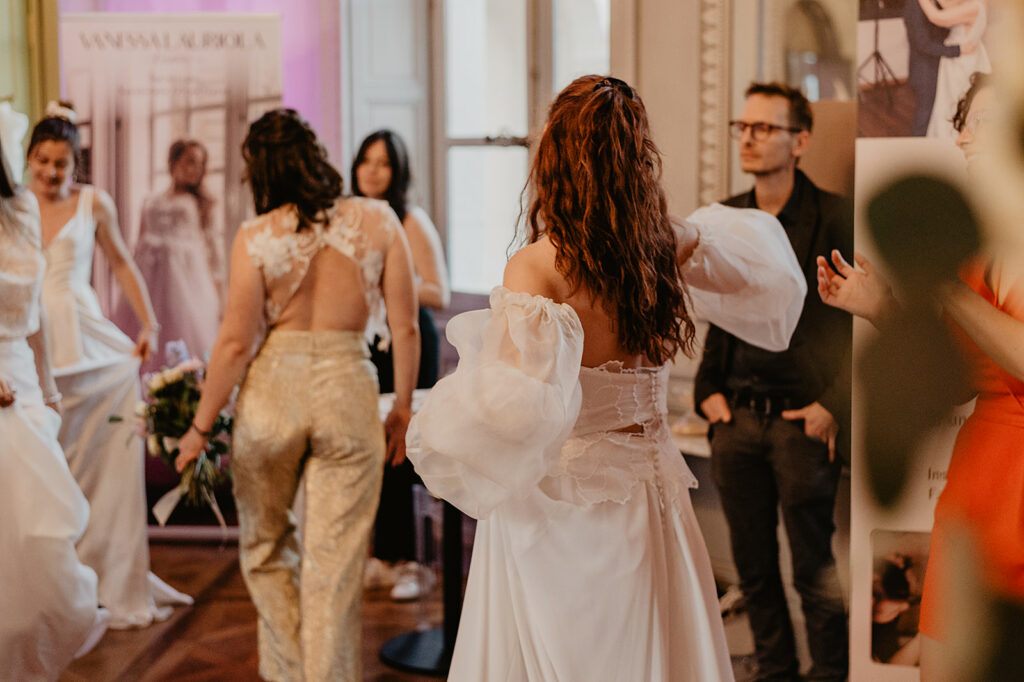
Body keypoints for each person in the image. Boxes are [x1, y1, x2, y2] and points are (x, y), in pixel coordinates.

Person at [407, 74, 809, 681]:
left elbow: (517, 413)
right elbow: (766, 272)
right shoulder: (665, 243)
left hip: (555, 511)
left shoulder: (539, 265)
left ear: (556, 157)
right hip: (646, 497)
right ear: (636, 158)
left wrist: (452, 415)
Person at [174, 109, 420, 682]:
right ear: (317, 154)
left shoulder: (256, 236)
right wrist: (402, 409)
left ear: (260, 171)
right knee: (335, 566)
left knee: (264, 548)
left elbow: (235, 343)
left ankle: (287, 675)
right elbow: (405, 328)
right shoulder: (378, 220)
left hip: (272, 394)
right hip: (347, 390)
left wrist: (200, 427)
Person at [818, 72, 1022, 681]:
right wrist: (878, 306)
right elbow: (962, 377)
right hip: (979, 475)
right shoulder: (973, 249)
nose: (963, 140)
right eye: (963, 123)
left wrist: (945, 288)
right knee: (943, 659)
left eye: (983, 122)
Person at [694, 82, 851, 681]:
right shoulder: (728, 214)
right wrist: (707, 390)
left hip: (800, 420)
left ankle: (830, 676)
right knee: (753, 573)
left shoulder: (835, 215)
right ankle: (776, 672)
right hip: (734, 416)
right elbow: (717, 310)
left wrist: (831, 406)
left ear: (801, 140)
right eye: (744, 127)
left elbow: (861, 321)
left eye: (765, 128)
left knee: (814, 571)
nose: (750, 138)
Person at [27, 101, 192, 629]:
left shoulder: (94, 203)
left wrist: (149, 325)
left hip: (87, 341)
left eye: (62, 163)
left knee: (101, 460)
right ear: (28, 158)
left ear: (76, 164)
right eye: (43, 161)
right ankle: (52, 583)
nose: (52, 172)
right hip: (31, 346)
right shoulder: (13, 206)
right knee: (44, 465)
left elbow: (121, 262)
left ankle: (110, 576)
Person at [0, 135, 108, 679]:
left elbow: (34, 303)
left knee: (37, 535)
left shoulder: (20, 207)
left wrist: (46, 387)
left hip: (21, 375)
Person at [351, 129, 450, 600]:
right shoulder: (350, 218)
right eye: (365, 161)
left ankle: (411, 561)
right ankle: (380, 554)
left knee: (401, 444)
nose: (372, 170)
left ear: (399, 171)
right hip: (368, 339)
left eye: (383, 163)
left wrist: (395, 285)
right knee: (370, 444)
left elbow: (440, 291)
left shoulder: (411, 221)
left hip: (409, 339)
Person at [118, 138, 225, 372]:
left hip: (185, 283)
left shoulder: (201, 203)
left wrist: (219, 293)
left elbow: (213, 249)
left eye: (199, 164)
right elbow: (140, 240)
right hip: (150, 277)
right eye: (189, 162)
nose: (195, 169)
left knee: (183, 331)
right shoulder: (151, 200)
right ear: (173, 163)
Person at [917, 0, 991, 138]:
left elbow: (937, 17)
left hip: (961, 64)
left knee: (952, 106)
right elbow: (949, 5)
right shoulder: (973, 3)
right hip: (964, 58)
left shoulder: (974, 7)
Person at [905, 0, 971, 137]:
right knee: (924, 116)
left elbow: (939, 27)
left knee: (935, 113)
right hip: (925, 71)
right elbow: (922, 43)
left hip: (937, 66)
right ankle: (915, 152)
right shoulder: (916, 4)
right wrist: (956, 49)